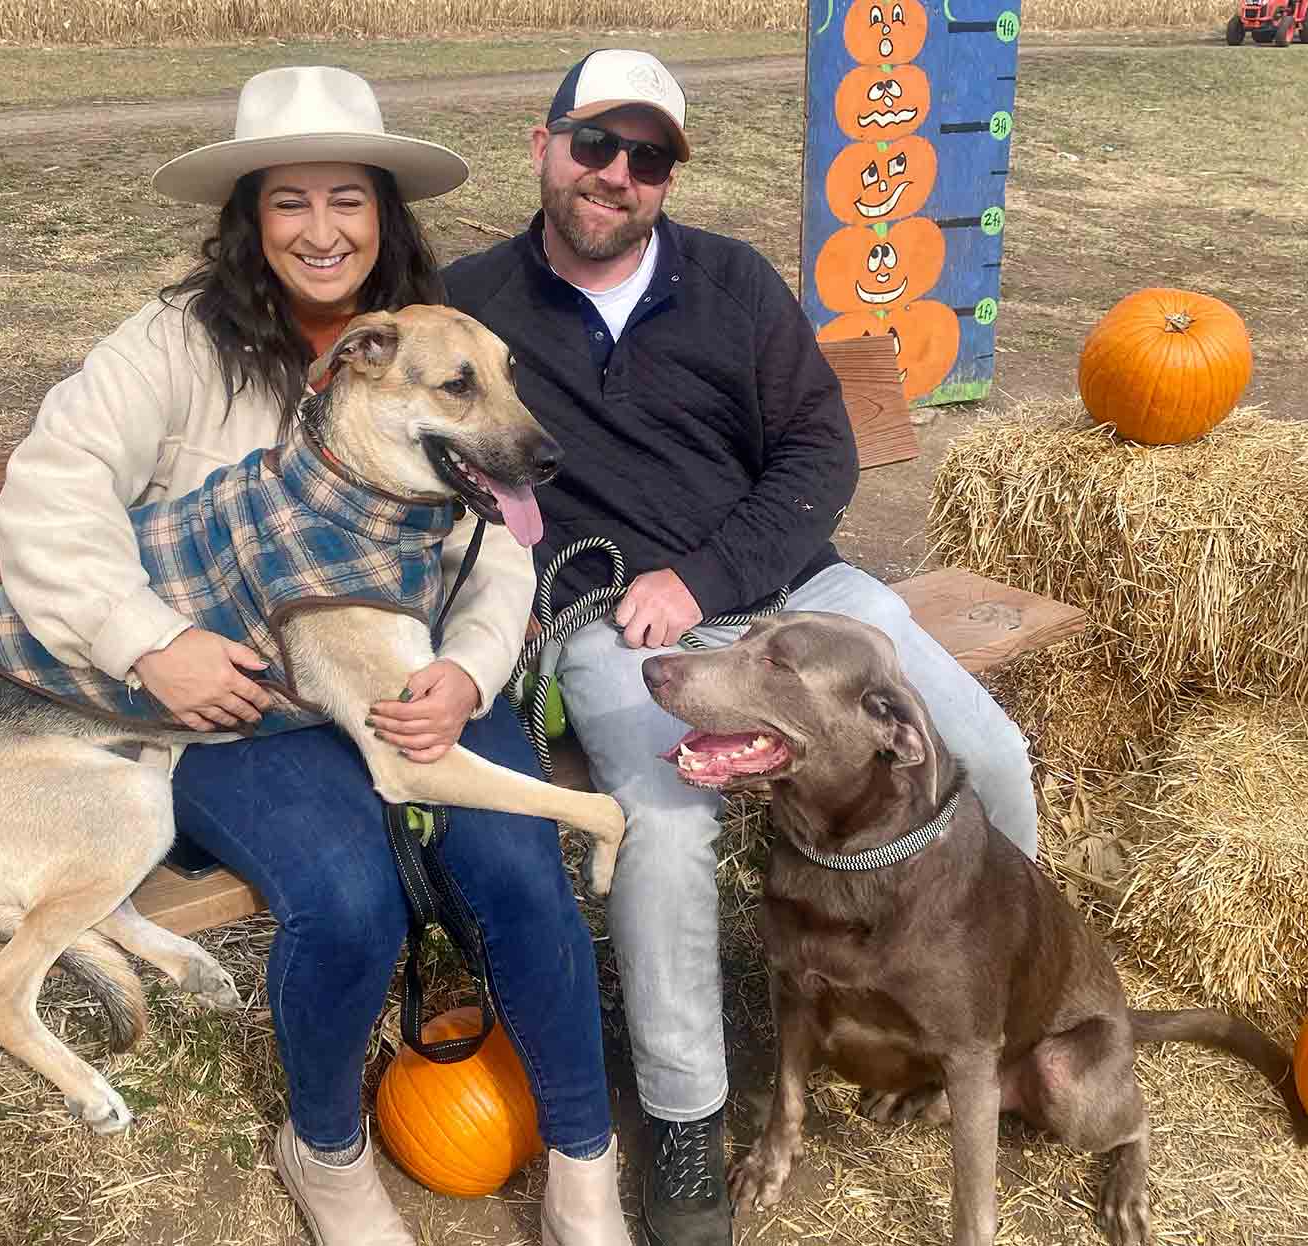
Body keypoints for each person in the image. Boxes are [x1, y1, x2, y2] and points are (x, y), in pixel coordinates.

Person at [0, 66, 632, 1246]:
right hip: (235, 694)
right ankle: (326, 1147)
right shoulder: (174, 346)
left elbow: (498, 543)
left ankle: (584, 1164)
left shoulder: (440, 338)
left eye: (349, 198)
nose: (322, 230)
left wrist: (474, 670)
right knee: (345, 894)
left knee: (516, 861)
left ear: (384, 213)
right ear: (251, 218)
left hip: (413, 664)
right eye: (291, 202)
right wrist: (156, 640)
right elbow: (50, 496)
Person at [444, 49, 1038, 1246]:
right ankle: (686, 1121)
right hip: (614, 626)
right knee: (661, 822)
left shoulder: (732, 284)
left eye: (647, 156)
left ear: (668, 176)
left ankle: (996, 1019)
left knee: (989, 749)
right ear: (543, 145)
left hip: (791, 593)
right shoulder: (476, 304)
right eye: (595, 144)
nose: (616, 175)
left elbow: (819, 454)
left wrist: (708, 575)